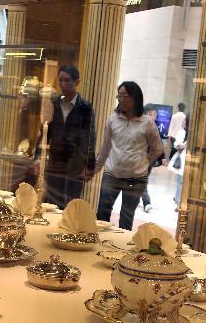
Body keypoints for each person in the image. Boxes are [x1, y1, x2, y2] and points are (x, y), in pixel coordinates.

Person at [95, 81, 162, 230]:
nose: (121, 99)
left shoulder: (147, 123)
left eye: (125, 96)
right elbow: (105, 147)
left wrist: (143, 162)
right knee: (102, 215)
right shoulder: (113, 119)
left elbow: (157, 149)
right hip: (112, 174)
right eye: (119, 96)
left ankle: (121, 249)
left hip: (135, 178)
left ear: (135, 98)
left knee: (126, 217)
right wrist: (96, 168)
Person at [42, 65, 96, 208]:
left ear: (76, 82)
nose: (63, 84)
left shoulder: (85, 107)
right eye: (60, 81)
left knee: (71, 203)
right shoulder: (54, 103)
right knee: (51, 202)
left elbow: (90, 136)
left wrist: (90, 166)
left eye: (67, 81)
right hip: (55, 161)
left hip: (75, 162)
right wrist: (37, 156)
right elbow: (46, 131)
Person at [139, 104, 165, 213]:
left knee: (142, 180)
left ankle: (142, 200)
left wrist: (162, 157)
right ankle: (146, 202)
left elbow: (158, 144)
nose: (152, 116)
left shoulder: (155, 127)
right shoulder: (139, 126)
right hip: (139, 159)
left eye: (154, 114)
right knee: (142, 180)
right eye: (150, 114)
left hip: (149, 160)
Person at [169, 115, 189, 203]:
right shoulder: (184, 132)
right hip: (185, 159)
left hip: (183, 159)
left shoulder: (183, 132)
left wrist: (183, 145)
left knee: (180, 182)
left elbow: (177, 145)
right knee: (182, 182)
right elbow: (177, 145)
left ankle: (179, 200)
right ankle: (179, 200)